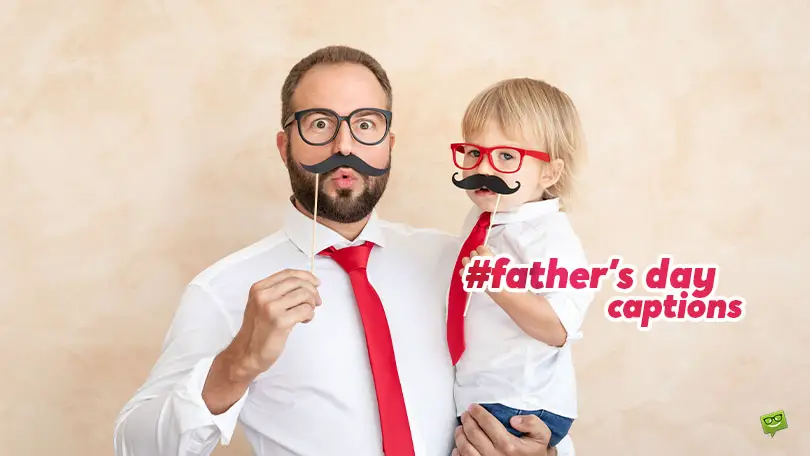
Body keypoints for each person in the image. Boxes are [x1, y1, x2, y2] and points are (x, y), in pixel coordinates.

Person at [113, 45, 574, 456]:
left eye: (366, 125)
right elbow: (135, 446)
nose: (345, 146)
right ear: (284, 145)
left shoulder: (456, 264)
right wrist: (237, 365)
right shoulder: (223, 290)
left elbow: (527, 373)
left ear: (388, 145)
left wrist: (542, 451)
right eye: (319, 124)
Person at [445, 78, 593, 449]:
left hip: (519, 405)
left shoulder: (548, 235)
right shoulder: (485, 219)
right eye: (473, 153)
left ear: (550, 173)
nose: (483, 168)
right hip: (481, 395)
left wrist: (497, 285)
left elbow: (558, 327)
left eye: (506, 156)